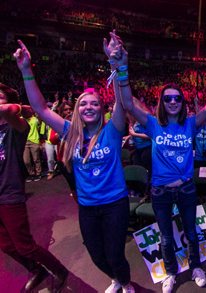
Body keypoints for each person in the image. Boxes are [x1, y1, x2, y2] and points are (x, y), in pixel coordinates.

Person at [14, 34, 135, 293]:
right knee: (96, 255)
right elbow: (41, 109)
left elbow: (124, 102)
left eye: (94, 103)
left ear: (102, 109)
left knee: (115, 254)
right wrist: (26, 70)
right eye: (83, 104)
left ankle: (125, 283)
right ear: (78, 109)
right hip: (88, 206)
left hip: (115, 203)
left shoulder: (112, 130)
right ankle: (115, 278)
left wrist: (117, 66)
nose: (89, 107)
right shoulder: (71, 131)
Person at [118, 39, 206, 292]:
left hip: (187, 188)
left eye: (177, 97)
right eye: (168, 98)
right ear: (162, 102)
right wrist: (122, 67)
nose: (173, 101)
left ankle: (196, 266)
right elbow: (127, 103)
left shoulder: (190, 123)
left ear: (182, 100)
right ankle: (170, 272)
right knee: (166, 237)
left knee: (191, 232)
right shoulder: (154, 124)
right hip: (161, 191)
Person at [0, 82, 68, 292]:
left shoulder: (16, 126)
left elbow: (9, 110)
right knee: (5, 244)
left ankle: (59, 270)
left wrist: (18, 106)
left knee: (24, 245)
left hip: (10, 194)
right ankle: (36, 270)